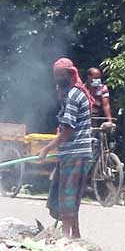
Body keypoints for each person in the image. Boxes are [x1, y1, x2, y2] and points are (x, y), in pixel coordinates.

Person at [37, 58, 95, 239]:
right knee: (73, 197)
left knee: (66, 197)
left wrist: (46, 149)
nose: (57, 81)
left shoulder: (73, 96)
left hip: (73, 152)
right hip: (81, 152)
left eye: (59, 77)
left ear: (69, 74)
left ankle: (65, 236)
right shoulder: (77, 93)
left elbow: (68, 129)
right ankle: (75, 236)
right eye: (55, 77)